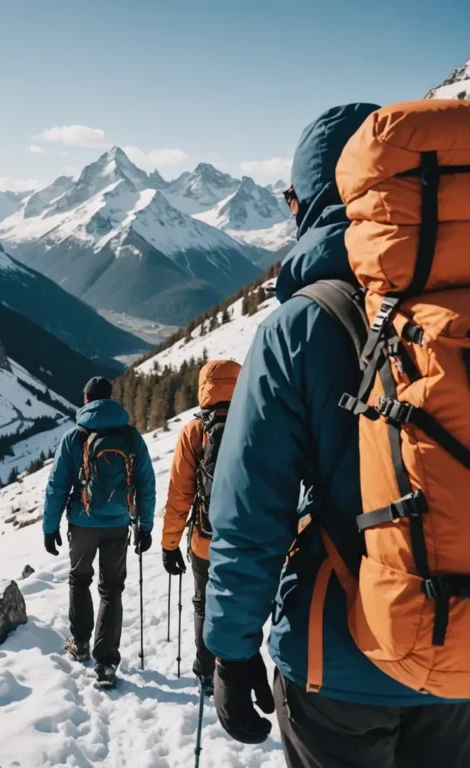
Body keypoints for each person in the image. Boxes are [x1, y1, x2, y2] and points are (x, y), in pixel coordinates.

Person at [203, 103, 470, 766]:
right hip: (465, 652)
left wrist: (232, 652)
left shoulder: (301, 325)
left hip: (338, 660)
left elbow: (251, 512)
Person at [43, 376, 155, 688]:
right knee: (112, 589)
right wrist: (145, 526)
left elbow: (57, 486)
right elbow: (146, 483)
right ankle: (106, 663)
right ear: (110, 398)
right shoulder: (131, 437)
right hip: (118, 523)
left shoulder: (74, 437)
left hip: (82, 522)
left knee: (80, 579)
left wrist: (49, 527)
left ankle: (79, 643)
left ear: (86, 399)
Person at [161, 359, 241, 695]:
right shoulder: (252, 422)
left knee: (203, 604)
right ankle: (236, 670)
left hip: (204, 541)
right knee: (239, 602)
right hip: (245, 540)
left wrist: (169, 545)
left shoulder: (195, 431)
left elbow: (180, 494)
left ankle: (207, 672)